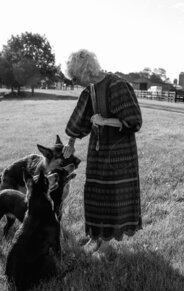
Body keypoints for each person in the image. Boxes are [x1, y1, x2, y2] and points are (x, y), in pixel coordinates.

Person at [63, 49, 142, 258]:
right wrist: (70, 142)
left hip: (119, 153)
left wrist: (105, 121)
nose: (75, 81)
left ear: (85, 70)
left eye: (75, 77)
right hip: (98, 151)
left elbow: (134, 122)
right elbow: (80, 118)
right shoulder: (90, 90)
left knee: (113, 198)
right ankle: (95, 236)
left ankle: (107, 244)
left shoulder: (118, 86)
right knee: (94, 193)